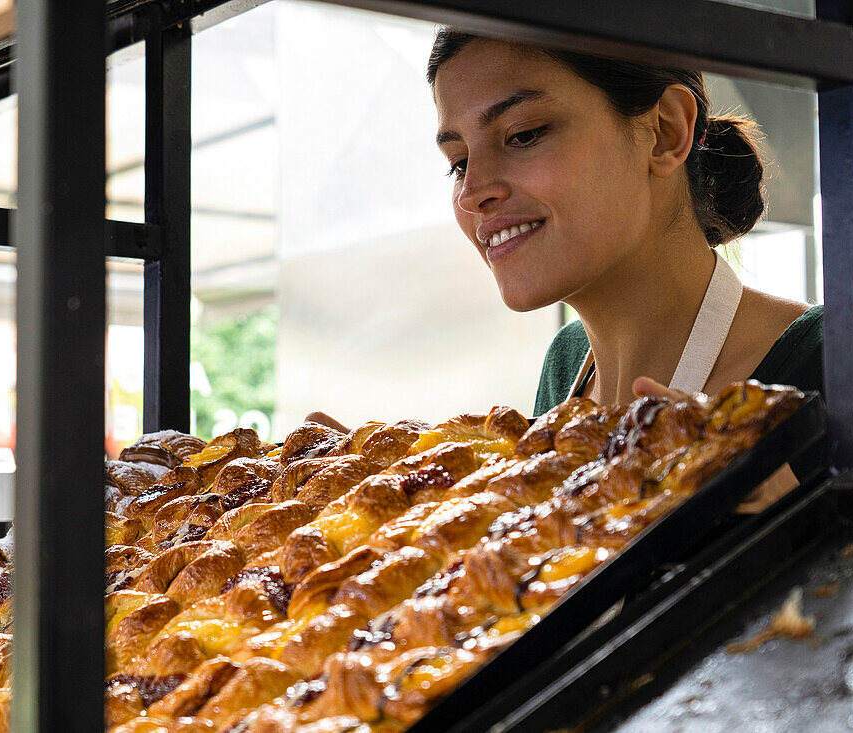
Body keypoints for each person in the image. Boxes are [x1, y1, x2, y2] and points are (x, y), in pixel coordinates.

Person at [310, 30, 824, 508]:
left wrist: (794, 520)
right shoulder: (566, 367)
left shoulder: (836, 359)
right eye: (459, 162)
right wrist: (385, 514)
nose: (472, 192)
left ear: (665, 132)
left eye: (523, 134)